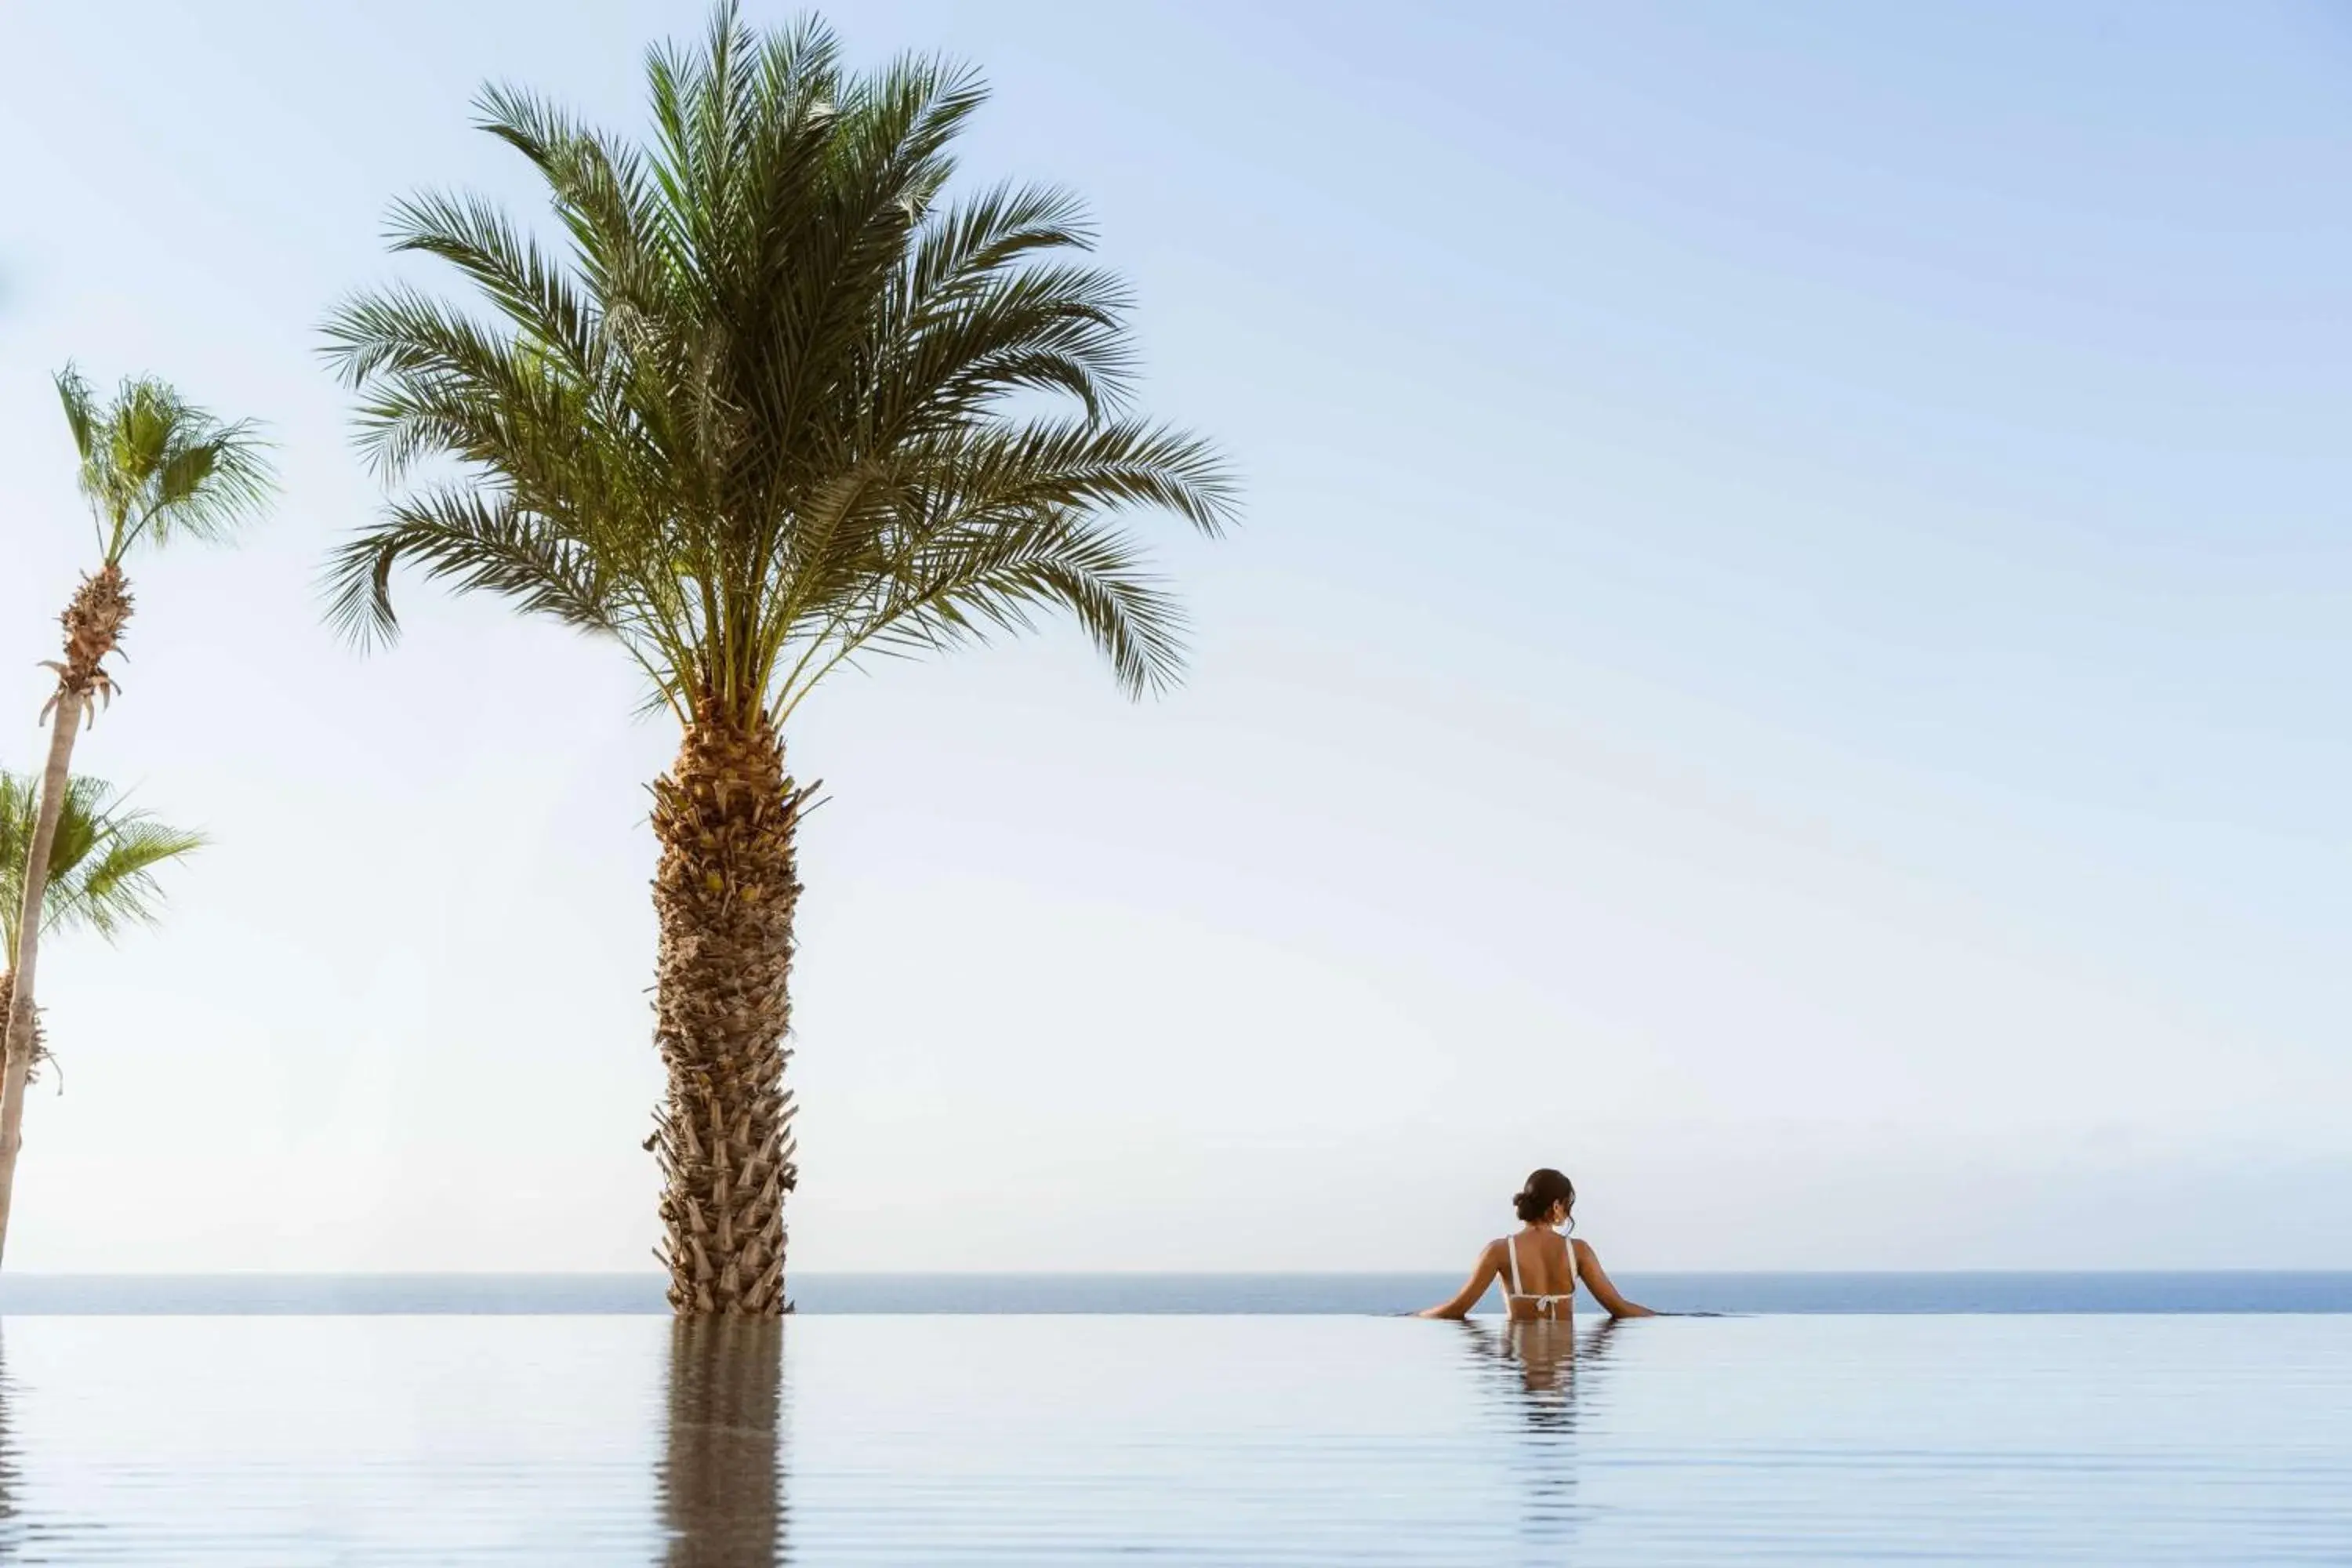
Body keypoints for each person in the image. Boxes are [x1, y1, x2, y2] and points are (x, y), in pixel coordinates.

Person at [1417, 1168, 1656, 1320]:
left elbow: (1456, 1309)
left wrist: (1415, 1316)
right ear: (1556, 1206)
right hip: (1564, 1357)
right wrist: (1667, 1317)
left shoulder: (1498, 1251)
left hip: (1520, 1359)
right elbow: (1620, 1309)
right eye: (1568, 1205)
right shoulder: (1578, 1251)